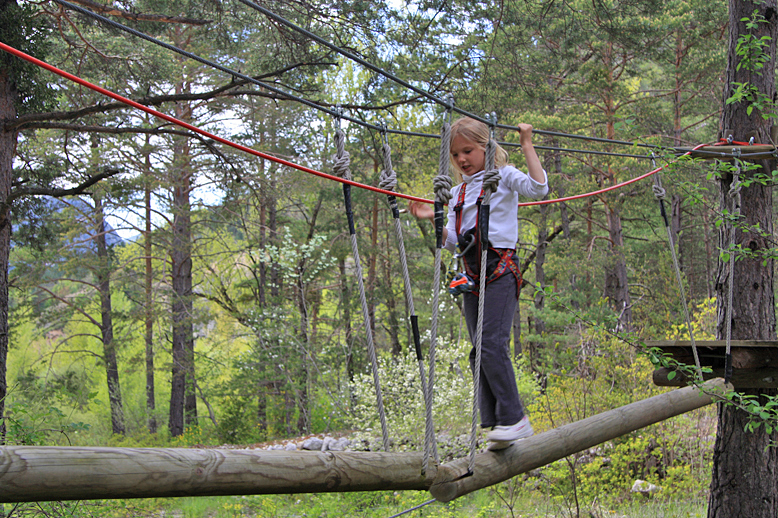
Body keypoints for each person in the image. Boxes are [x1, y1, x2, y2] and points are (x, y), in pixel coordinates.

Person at [409, 117, 548, 450]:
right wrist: (434, 221)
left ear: (487, 147)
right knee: (478, 352)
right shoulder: (457, 193)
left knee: (491, 344)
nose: (461, 160)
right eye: (456, 155)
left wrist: (527, 144)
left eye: (468, 151)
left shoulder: (503, 177)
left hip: (499, 268)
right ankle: (496, 422)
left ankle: (516, 419)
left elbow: (539, 188)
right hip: (471, 272)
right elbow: (455, 240)